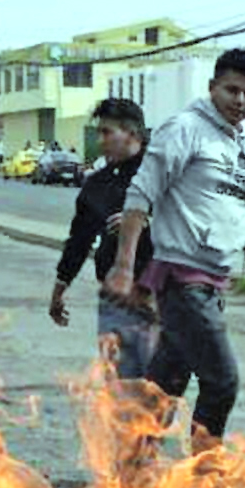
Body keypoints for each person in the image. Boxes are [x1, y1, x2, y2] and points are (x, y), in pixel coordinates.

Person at [110, 48, 245, 450]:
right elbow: (140, 195)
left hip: (215, 285)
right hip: (183, 281)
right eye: (231, 90)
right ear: (212, 87)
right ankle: (204, 475)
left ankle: (132, 469)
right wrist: (123, 266)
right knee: (222, 382)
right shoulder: (184, 129)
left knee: (164, 387)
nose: (240, 101)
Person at [50, 97, 157, 378]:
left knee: (157, 389)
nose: (100, 141)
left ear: (132, 133)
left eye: (107, 132)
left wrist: (146, 221)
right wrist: (60, 288)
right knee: (118, 387)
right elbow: (78, 240)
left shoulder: (163, 173)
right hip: (115, 299)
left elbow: (193, 219)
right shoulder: (97, 184)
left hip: (160, 295)